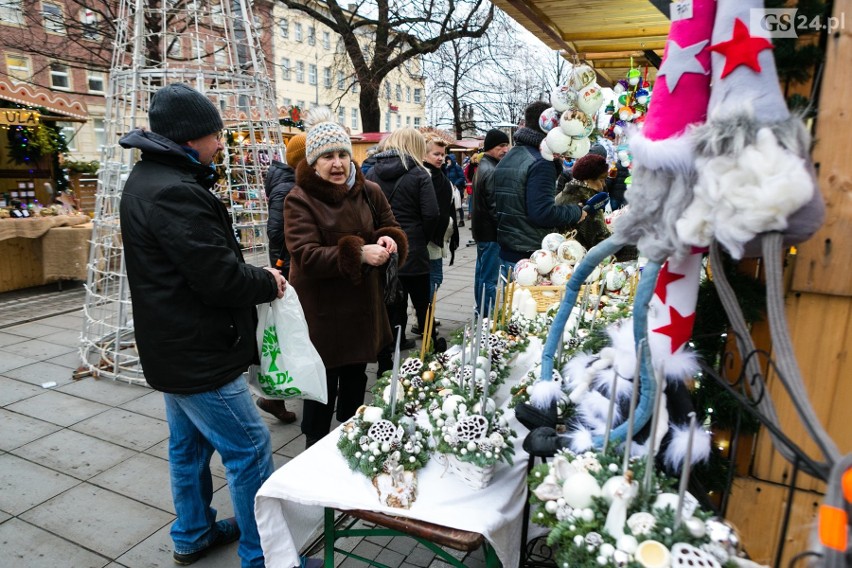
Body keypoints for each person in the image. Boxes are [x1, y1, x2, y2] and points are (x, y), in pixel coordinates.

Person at [118, 83, 286, 568]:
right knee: (250, 447)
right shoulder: (173, 191)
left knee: (187, 447)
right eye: (215, 135)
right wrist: (266, 280)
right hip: (198, 353)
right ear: (192, 139)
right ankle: (263, 556)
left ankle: (193, 533)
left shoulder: (149, 179)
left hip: (173, 346)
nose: (220, 144)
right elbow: (218, 277)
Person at [284, 108, 406, 448]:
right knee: (321, 387)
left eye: (342, 155)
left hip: (363, 307)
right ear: (313, 162)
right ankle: (315, 449)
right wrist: (359, 252)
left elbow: (390, 224)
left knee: (355, 381)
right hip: (323, 313)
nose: (337, 164)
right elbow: (305, 255)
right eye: (327, 157)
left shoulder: (369, 190)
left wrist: (389, 240)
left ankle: (348, 442)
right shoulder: (300, 198)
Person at [366, 128, 439, 369]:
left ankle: (386, 364)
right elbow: (432, 214)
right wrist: (420, 238)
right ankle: (428, 355)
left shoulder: (373, 172)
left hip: (386, 250)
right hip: (415, 250)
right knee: (422, 306)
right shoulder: (419, 173)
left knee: (390, 310)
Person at [493, 101, 586, 272]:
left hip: (509, 250)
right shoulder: (541, 162)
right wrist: (576, 212)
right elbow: (542, 213)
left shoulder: (510, 157)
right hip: (531, 257)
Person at [256, 133, 306, 425]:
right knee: (290, 332)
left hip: (289, 264)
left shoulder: (287, 182)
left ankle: (276, 396)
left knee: (292, 330)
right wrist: (288, 258)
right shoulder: (288, 186)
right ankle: (273, 397)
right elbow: (276, 231)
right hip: (289, 267)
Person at [416, 133, 457, 334]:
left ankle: (424, 317)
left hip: (435, 237)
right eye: (436, 154)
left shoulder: (438, 175)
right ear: (424, 154)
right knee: (434, 278)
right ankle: (425, 319)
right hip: (430, 238)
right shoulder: (427, 176)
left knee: (432, 279)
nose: (441, 158)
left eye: (443, 154)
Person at [471, 128, 510, 316]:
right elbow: (496, 207)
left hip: (481, 231)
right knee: (489, 279)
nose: (505, 149)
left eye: (506, 145)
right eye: (501, 146)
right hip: (491, 232)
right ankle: (487, 317)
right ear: (490, 148)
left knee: (481, 275)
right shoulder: (492, 170)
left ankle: (481, 312)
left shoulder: (484, 166)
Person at [556, 153, 611, 250]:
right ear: (588, 179)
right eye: (601, 180)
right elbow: (600, 240)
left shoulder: (566, 192)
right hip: (577, 255)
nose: (603, 185)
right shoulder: (588, 202)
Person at [444, 153, 466, 226]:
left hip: (457, 189)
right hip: (449, 189)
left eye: (449, 160)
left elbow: (462, 177)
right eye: (447, 160)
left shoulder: (457, 167)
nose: (447, 161)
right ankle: (452, 221)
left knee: (458, 204)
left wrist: (456, 184)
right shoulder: (447, 168)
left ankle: (462, 220)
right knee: (451, 204)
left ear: (452, 160)